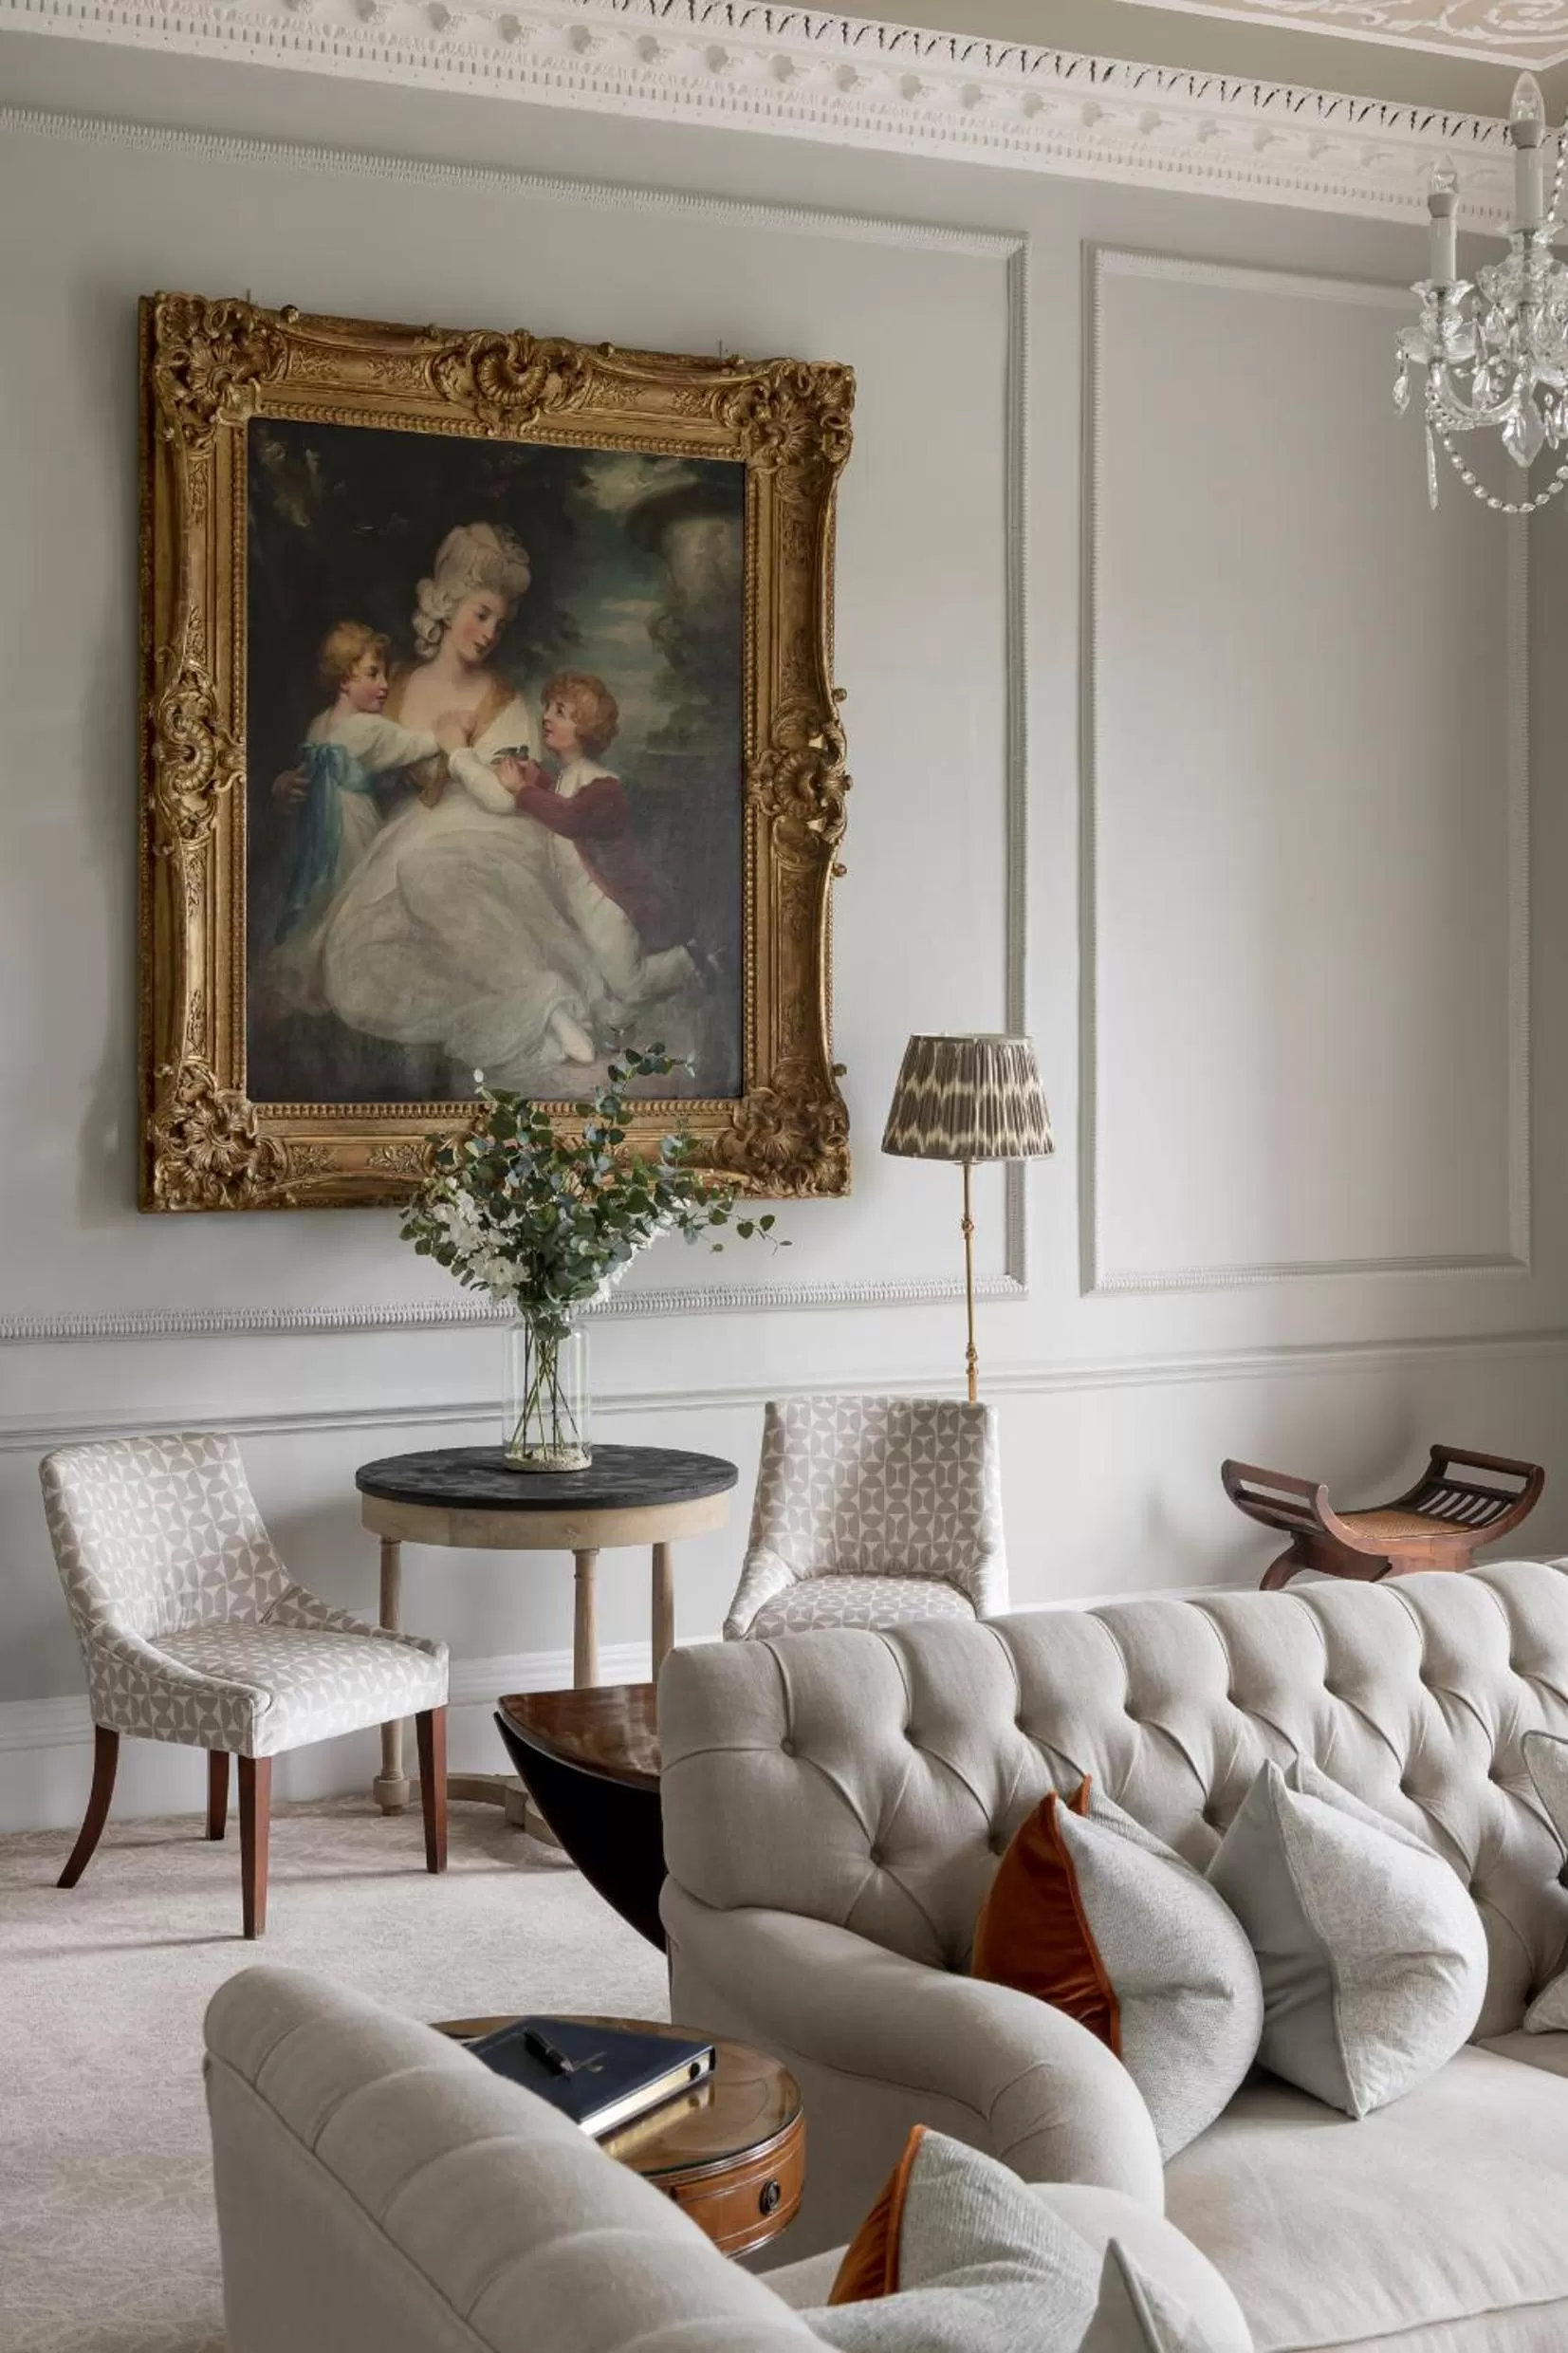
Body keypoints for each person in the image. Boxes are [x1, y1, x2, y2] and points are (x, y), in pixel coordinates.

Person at [320, 524, 601, 1082]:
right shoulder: (393, 687)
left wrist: (457, 751)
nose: (490, 632)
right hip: (407, 837)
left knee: (438, 877)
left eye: (501, 622)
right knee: (360, 957)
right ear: (446, 605)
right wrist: (301, 779)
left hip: (491, 837)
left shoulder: (504, 703)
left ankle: (549, 1002)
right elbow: (347, 746)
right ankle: (524, 1014)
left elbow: (503, 799)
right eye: (481, 613)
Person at [501, 672, 696, 1017]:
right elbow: (562, 801)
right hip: (578, 899)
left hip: (607, 902)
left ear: (586, 727)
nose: (546, 716)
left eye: (560, 712)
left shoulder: (605, 787)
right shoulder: (570, 776)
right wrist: (538, 781)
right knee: (594, 976)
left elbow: (571, 818)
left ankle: (691, 959)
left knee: (628, 985)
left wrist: (522, 790)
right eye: (548, 707)